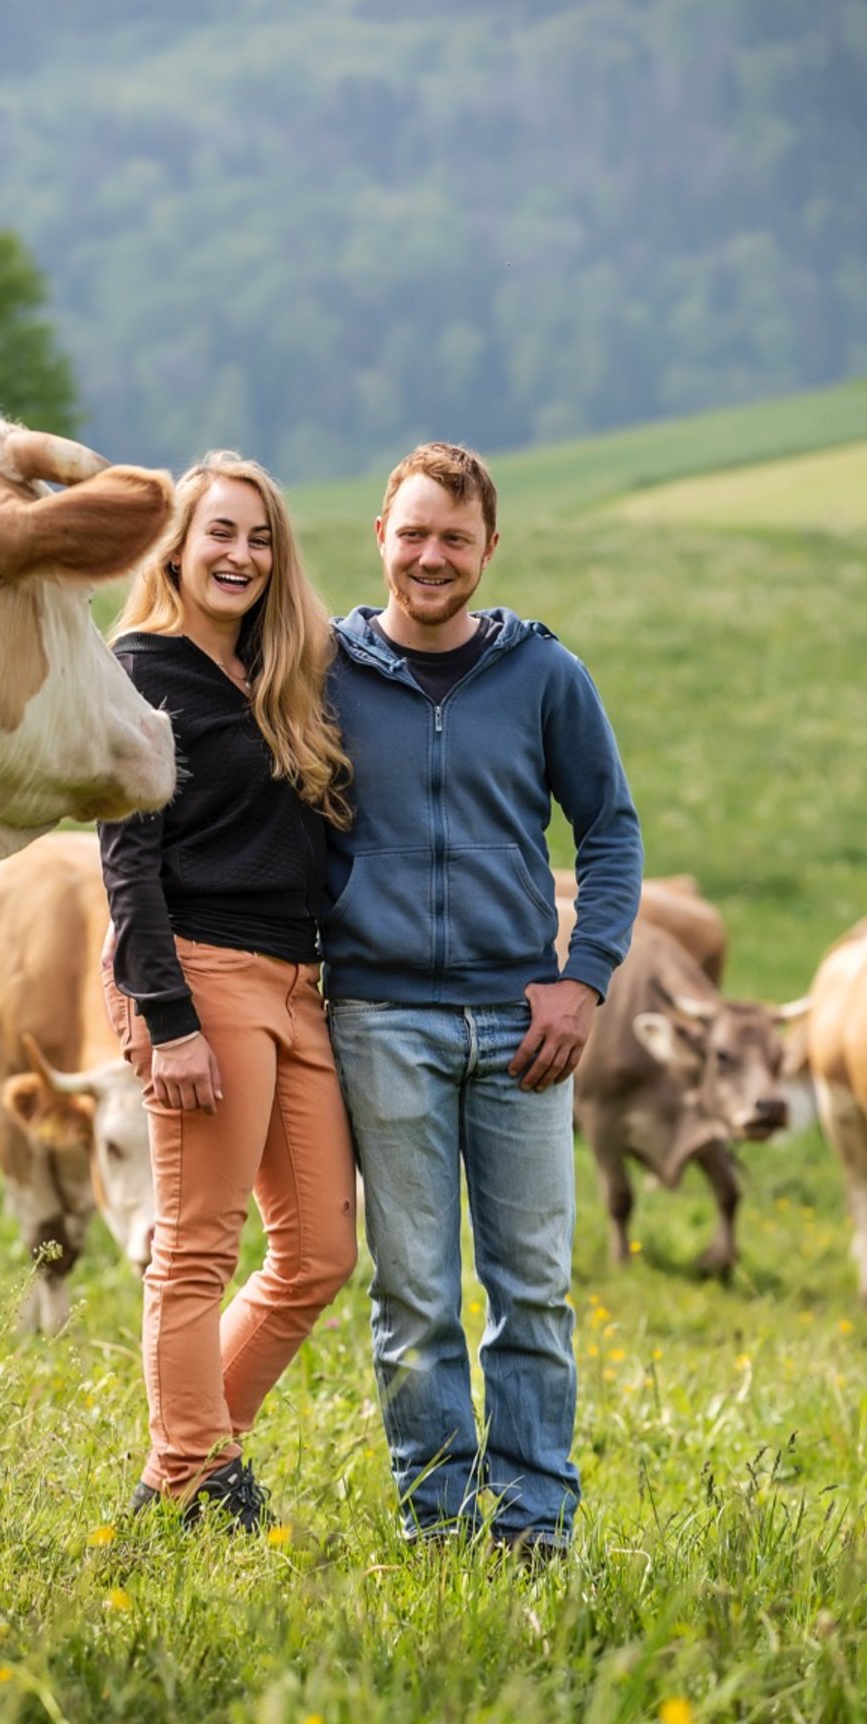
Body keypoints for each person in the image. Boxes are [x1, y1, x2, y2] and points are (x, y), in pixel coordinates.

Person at [322, 441, 643, 1555]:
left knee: (533, 1292)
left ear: (487, 549)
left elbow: (609, 830)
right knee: (411, 1293)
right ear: (379, 536)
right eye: (411, 533)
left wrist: (581, 978)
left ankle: (537, 1526)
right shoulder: (322, 672)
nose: (430, 555)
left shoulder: (543, 675)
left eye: (453, 538)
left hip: (523, 1027)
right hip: (378, 1020)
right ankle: (438, 1524)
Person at [98, 450, 357, 1529]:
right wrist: (168, 1019)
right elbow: (124, 858)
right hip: (200, 975)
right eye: (219, 532)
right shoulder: (139, 667)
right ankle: (200, 1471)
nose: (240, 554)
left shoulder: (286, 673)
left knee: (319, 1254)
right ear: (178, 544)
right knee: (199, 1244)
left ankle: (181, 1471)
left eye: (258, 538)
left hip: (301, 986)